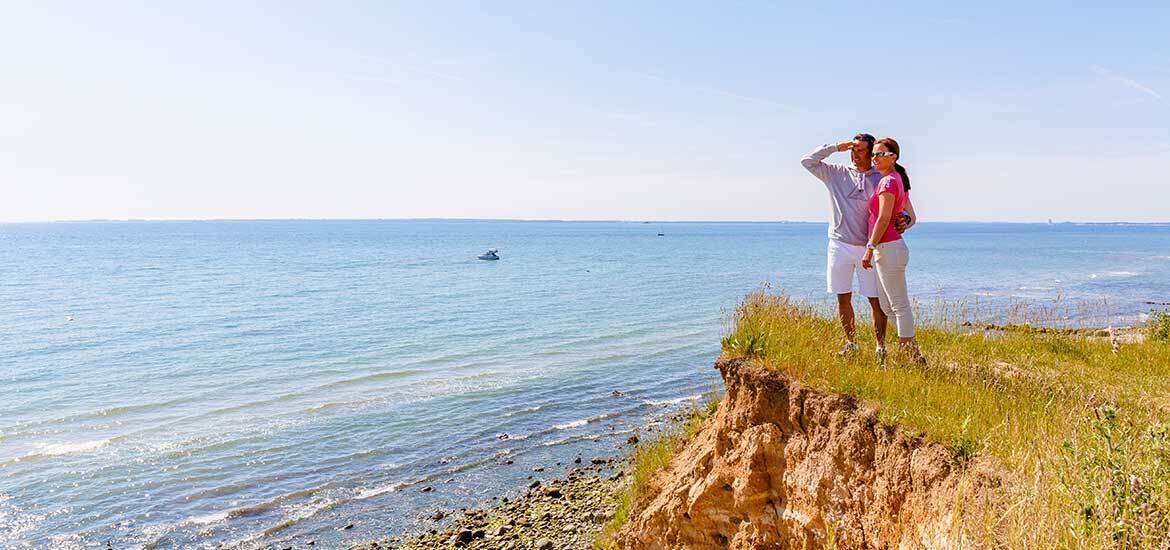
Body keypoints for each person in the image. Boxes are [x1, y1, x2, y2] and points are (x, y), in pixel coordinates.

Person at [801, 134, 914, 359]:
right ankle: (851, 343)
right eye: (853, 149)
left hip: (869, 248)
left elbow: (906, 210)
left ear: (872, 152)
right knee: (843, 297)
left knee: (876, 301)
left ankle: (880, 348)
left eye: (861, 150)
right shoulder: (836, 173)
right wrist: (835, 147)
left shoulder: (881, 176)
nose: (855, 153)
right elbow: (807, 161)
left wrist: (906, 221)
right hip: (839, 244)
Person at [861, 137, 924, 363]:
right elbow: (913, 217)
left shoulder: (888, 182)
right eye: (874, 154)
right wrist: (905, 220)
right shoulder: (896, 179)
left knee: (898, 305)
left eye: (880, 154)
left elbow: (884, 217)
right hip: (887, 249)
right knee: (887, 306)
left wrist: (869, 248)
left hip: (887, 248)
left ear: (893, 157)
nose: (875, 158)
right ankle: (913, 353)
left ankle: (908, 353)